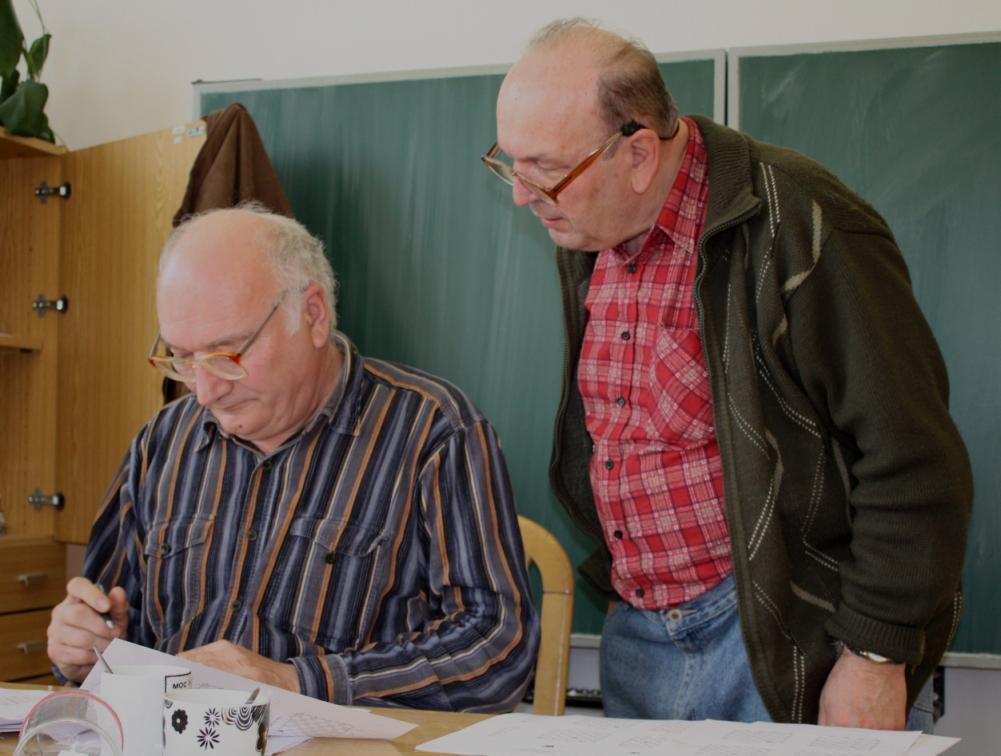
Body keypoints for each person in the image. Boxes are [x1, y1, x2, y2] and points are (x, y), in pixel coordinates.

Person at [483, 18, 972, 729]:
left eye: (545, 170)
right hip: (637, 630)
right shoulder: (585, 222)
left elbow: (912, 458)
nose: (522, 196)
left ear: (639, 152)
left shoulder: (802, 223)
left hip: (777, 639)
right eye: (510, 163)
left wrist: (873, 657)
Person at [46, 204, 539, 711]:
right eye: (183, 358)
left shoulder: (433, 432)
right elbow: (105, 620)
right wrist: (85, 645)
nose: (206, 390)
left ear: (313, 315)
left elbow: (498, 647)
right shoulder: (161, 444)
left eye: (228, 354)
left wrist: (299, 682)